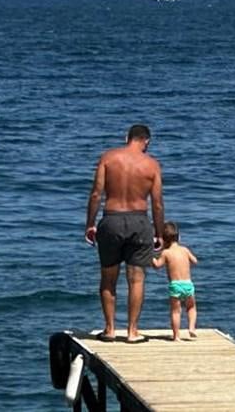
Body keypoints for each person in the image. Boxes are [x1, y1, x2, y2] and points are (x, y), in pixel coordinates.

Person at [84, 124, 164, 343]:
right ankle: (132, 332)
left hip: (111, 220)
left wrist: (90, 224)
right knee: (136, 280)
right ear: (146, 141)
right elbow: (157, 204)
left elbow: (95, 195)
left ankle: (109, 329)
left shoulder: (108, 158)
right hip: (139, 221)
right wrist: (159, 232)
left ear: (126, 137)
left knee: (108, 278)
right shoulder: (152, 165)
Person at [152, 221, 199, 341]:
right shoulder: (185, 250)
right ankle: (192, 328)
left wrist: (151, 257)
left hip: (175, 285)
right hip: (188, 283)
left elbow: (157, 265)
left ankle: (176, 336)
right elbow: (195, 261)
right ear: (178, 237)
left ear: (163, 240)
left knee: (175, 311)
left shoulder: (166, 253)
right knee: (191, 307)